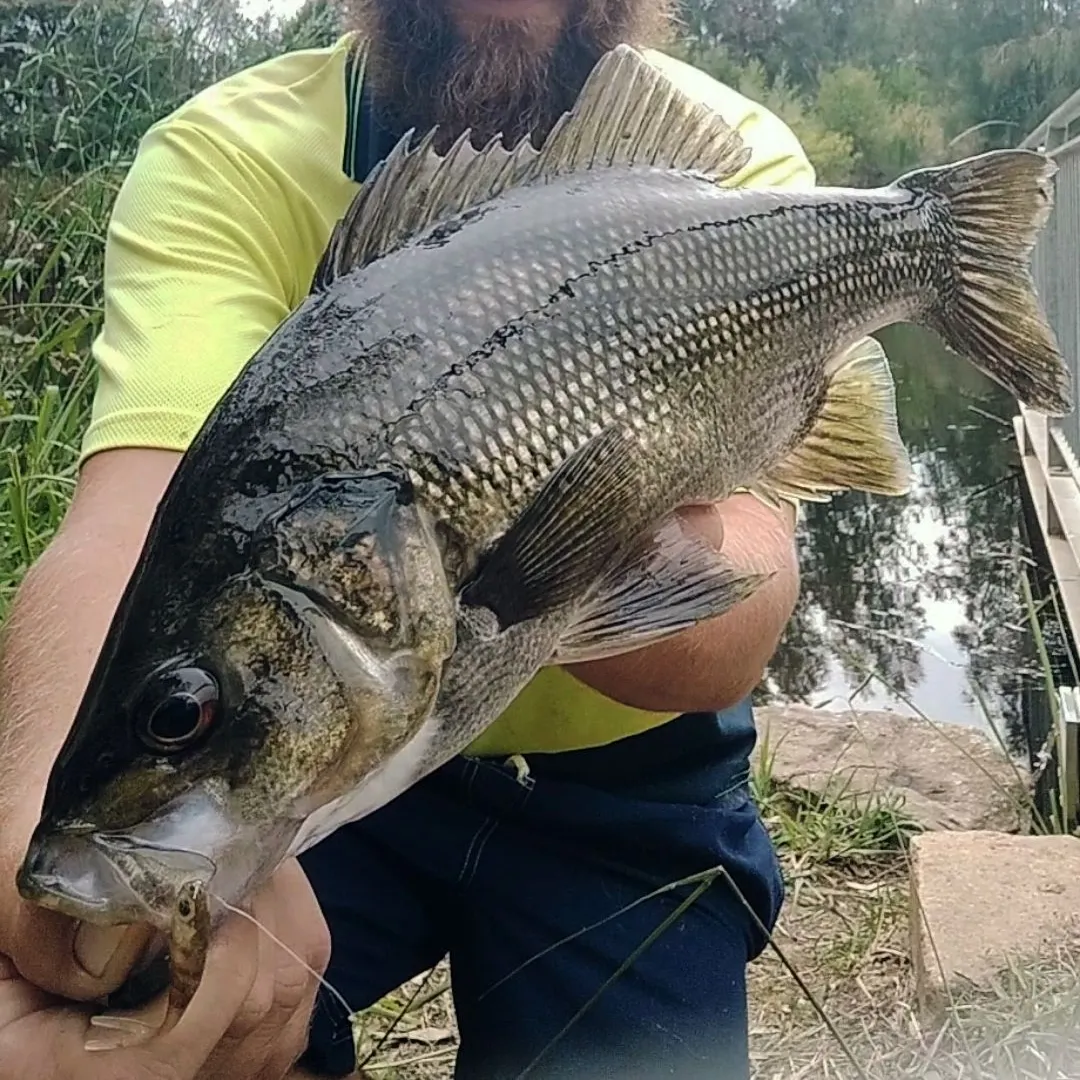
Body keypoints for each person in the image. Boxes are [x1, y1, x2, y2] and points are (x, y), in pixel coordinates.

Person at [0, 1, 812, 1077]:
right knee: (174, 1027)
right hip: (351, 806)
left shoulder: (730, 168)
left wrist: (522, 548)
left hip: (632, 797)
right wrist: (39, 827)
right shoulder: (226, 151)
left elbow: (737, 629)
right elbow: (127, 528)